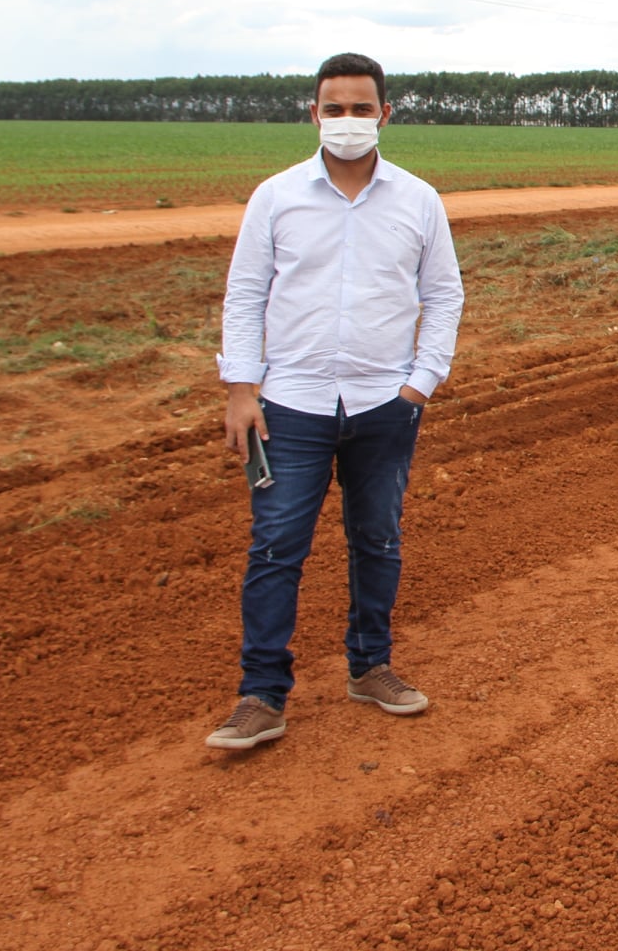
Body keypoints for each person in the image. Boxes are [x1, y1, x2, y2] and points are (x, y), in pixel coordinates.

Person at [206, 52, 464, 751]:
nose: (347, 121)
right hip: (290, 404)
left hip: (385, 402)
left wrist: (420, 383)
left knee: (377, 539)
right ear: (313, 115)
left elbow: (443, 295)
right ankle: (261, 695)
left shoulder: (418, 200)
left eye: (361, 108)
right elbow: (245, 295)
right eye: (334, 108)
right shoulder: (276, 197)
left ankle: (369, 666)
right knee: (275, 548)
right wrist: (241, 388)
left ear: (384, 115)